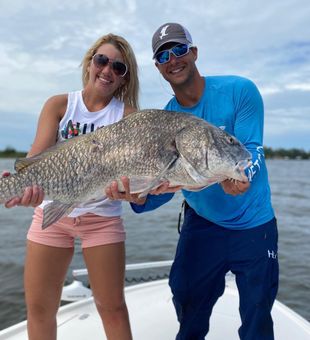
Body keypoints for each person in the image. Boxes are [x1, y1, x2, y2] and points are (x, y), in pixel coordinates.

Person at [106, 23, 278, 340]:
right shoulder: (164, 119)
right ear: (158, 67)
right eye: (163, 55)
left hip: (254, 225)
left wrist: (241, 176)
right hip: (202, 223)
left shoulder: (240, 90)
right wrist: (139, 197)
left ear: (194, 52)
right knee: (185, 297)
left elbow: (252, 148)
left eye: (179, 49)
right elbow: (165, 183)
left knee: (257, 317)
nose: (173, 58)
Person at [4, 33, 139, 340]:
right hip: (52, 215)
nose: (107, 70)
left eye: (118, 67)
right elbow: (34, 162)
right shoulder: (59, 105)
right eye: (102, 60)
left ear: (124, 78)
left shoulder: (128, 116)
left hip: (101, 218)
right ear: (90, 62)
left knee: (113, 308)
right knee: (39, 308)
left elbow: (135, 176)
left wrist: (135, 191)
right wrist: (20, 189)